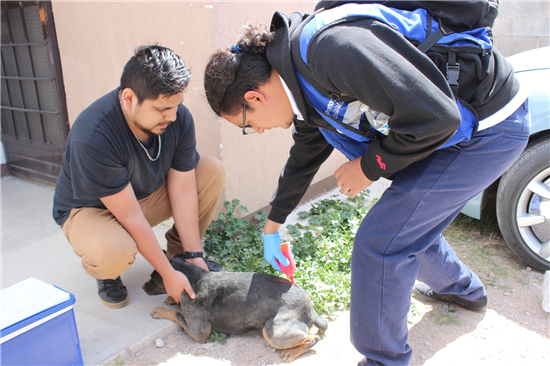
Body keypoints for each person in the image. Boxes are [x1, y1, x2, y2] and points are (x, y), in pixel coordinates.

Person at [203, 2, 530, 365]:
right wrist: (272, 225)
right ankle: (464, 292)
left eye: (248, 125)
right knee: (408, 221)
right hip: (462, 127)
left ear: (254, 97)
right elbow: (305, 153)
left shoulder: (331, 52)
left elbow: (438, 117)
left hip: (489, 128)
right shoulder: (297, 78)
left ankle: (383, 360)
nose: (259, 131)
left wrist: (369, 166)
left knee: (382, 241)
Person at [53, 45, 225, 309]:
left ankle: (180, 258)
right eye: (161, 108)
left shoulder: (178, 119)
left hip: (140, 197)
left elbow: (183, 190)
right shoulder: (93, 137)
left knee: (210, 171)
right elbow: (131, 216)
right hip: (90, 209)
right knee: (112, 252)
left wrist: (194, 255)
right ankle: (107, 274)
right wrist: (167, 275)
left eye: (176, 105)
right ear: (129, 98)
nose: (172, 116)